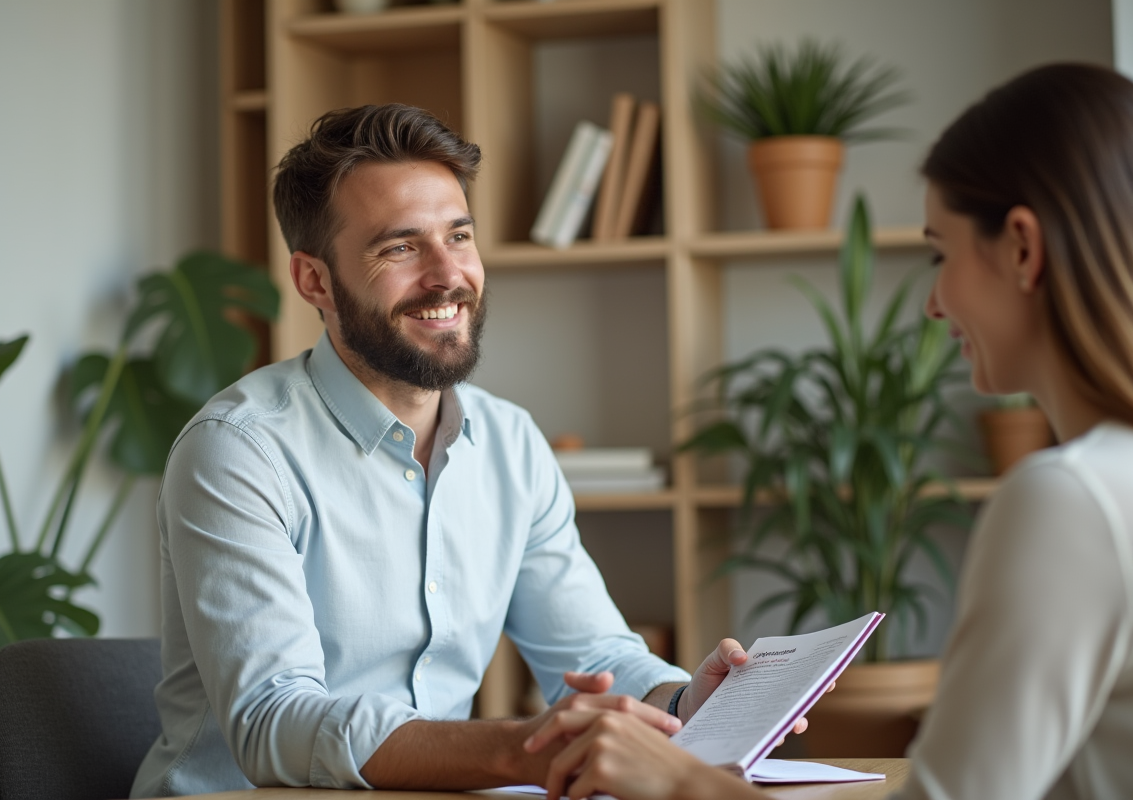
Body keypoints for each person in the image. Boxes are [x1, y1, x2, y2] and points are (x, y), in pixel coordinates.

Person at [520, 61, 1133, 800]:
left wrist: (681, 783)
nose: (934, 303)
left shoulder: (1071, 498)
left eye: (941, 253)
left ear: (1024, 248)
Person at [131, 104, 779, 797]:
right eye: (400, 247)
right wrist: (519, 749)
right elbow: (273, 721)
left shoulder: (510, 444)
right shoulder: (239, 450)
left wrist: (685, 708)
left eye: (459, 236)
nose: (448, 276)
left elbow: (593, 653)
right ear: (314, 280)